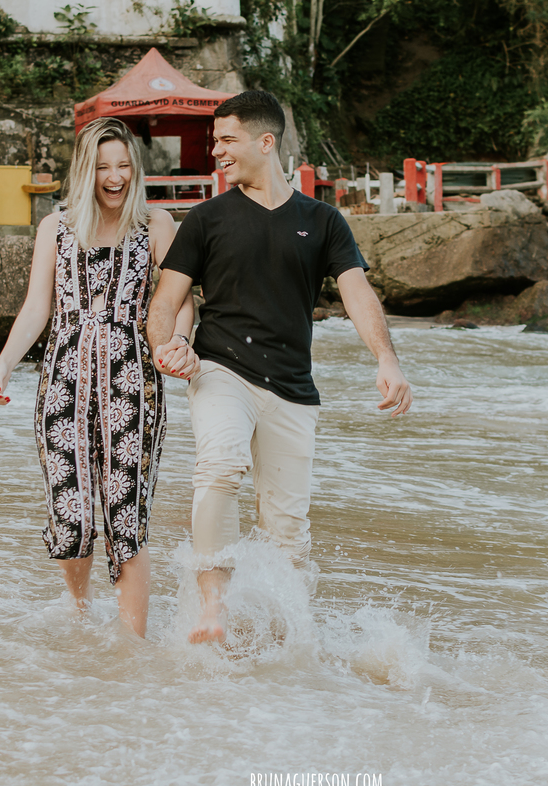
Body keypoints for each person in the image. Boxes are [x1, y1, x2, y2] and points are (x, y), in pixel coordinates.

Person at [147, 90, 413, 645]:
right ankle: (213, 607)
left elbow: (357, 293)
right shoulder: (207, 218)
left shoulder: (323, 221)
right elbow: (165, 301)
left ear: (265, 142)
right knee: (220, 466)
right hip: (220, 369)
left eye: (227, 140)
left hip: (293, 388)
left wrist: (386, 359)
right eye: (214, 140)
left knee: (287, 532)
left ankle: (285, 647)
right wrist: (167, 346)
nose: (216, 150)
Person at [0, 117, 199, 637]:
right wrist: (5, 363)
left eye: (124, 166)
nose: (115, 177)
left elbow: (180, 300)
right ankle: (80, 614)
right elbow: (37, 307)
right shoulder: (55, 228)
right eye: (104, 167)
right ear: (86, 170)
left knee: (126, 516)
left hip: (135, 384)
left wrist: (179, 341)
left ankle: (131, 646)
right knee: (71, 513)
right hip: (63, 382)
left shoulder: (156, 225)